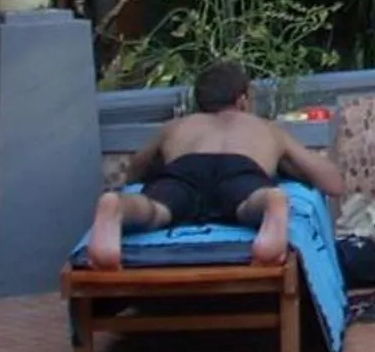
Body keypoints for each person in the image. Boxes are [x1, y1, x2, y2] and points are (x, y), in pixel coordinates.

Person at [85, 61, 345, 269]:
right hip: (241, 170)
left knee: (156, 209)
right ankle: (270, 202)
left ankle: (117, 207)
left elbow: (135, 171)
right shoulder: (265, 129)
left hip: (184, 171)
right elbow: (333, 183)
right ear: (243, 100)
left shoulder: (178, 127)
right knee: (247, 205)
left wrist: (150, 172)